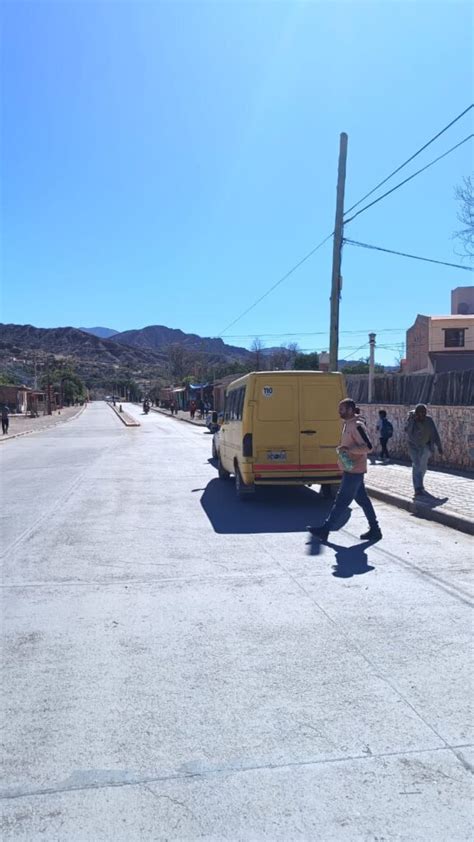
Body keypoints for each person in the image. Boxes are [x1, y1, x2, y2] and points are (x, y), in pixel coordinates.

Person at [307, 398, 382, 542]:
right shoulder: (347, 424)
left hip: (354, 470)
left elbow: (368, 447)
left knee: (341, 500)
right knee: (363, 500)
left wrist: (349, 449)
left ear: (350, 410)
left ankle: (326, 529)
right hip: (351, 468)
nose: (339, 412)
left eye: (341, 409)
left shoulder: (357, 425)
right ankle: (375, 529)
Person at [405, 404, 443, 496]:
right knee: (417, 465)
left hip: (426, 446)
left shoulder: (429, 420)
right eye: (420, 413)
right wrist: (412, 420)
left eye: (424, 412)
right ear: (416, 413)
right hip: (414, 447)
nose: (422, 414)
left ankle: (419, 483)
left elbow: (435, 433)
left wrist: (439, 446)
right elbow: (407, 430)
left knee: (423, 467)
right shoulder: (412, 421)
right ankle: (418, 488)